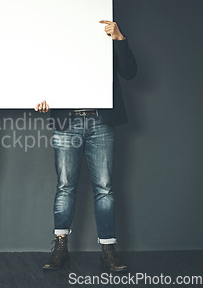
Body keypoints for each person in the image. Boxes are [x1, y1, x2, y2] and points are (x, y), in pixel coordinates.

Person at [35, 20, 137, 272]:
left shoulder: (105, 33)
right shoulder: (54, 37)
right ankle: (61, 248)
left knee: (104, 188)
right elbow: (38, 74)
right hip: (66, 121)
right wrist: (38, 96)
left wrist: (119, 37)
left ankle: (108, 249)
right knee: (65, 186)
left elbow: (130, 71)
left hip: (101, 119)